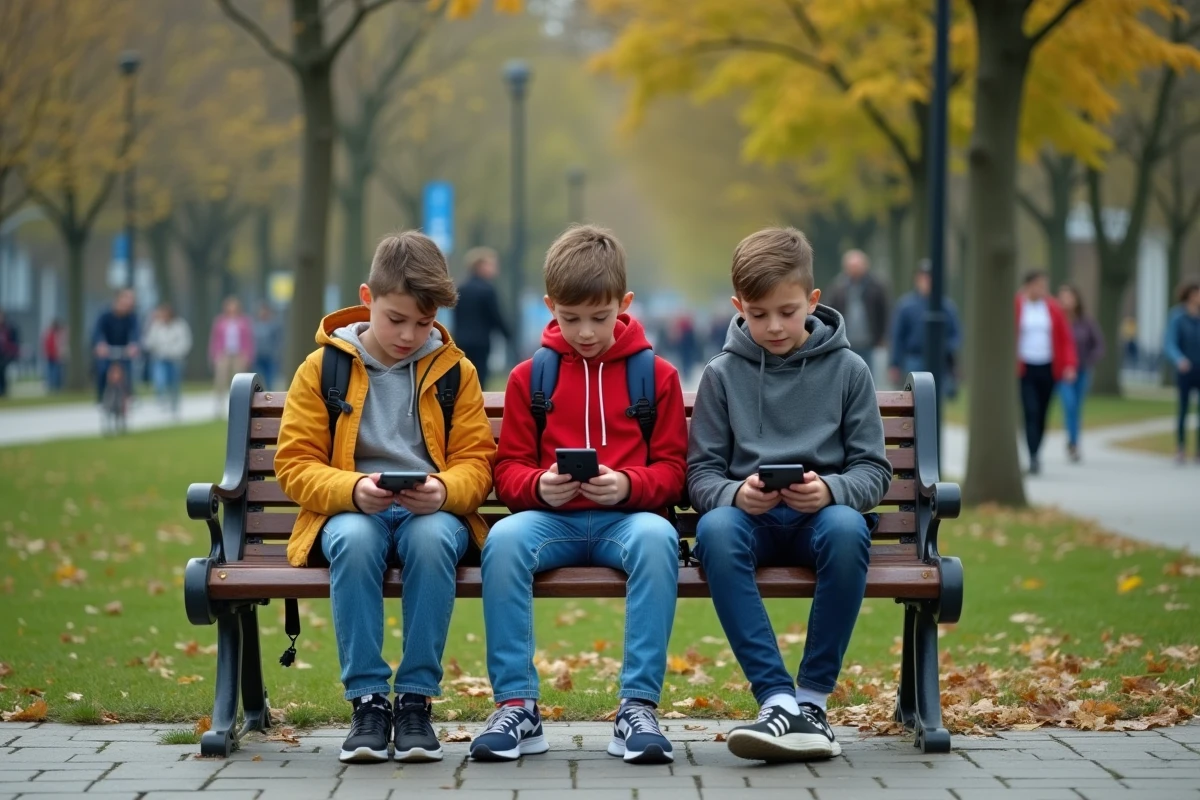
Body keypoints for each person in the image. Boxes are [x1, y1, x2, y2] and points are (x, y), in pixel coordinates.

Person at [274, 231, 496, 764]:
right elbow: (294, 463)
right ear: (367, 298)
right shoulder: (322, 368)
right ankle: (369, 702)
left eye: (424, 323)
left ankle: (415, 700)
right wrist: (352, 488)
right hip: (353, 510)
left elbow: (478, 462)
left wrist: (444, 489)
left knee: (434, 540)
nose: (410, 335)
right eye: (396, 319)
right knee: (351, 539)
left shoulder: (453, 370)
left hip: (429, 512)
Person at [470, 224, 688, 765]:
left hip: (628, 521)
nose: (585, 332)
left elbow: (675, 472)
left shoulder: (656, 377)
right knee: (503, 540)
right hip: (553, 521)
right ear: (550, 307)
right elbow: (509, 472)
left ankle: (637, 707)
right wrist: (540, 485)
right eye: (570, 319)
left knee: (659, 537)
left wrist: (629, 485)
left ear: (625, 303)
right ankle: (517, 705)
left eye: (599, 317)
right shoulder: (531, 378)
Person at [687, 227, 892, 763]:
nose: (773, 326)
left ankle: (812, 701)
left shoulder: (849, 370)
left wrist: (830, 490)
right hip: (749, 524)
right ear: (738, 307)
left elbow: (874, 469)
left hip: (819, 523)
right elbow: (701, 474)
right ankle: (777, 699)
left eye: (787, 310)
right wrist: (735, 495)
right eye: (758, 314)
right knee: (715, 528)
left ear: (814, 301)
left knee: (848, 528)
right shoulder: (722, 375)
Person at [1015, 270, 1077, 475]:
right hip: (1025, 368)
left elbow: (1065, 338)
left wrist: (1069, 364)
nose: (1043, 290)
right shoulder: (1017, 305)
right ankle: (1032, 456)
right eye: (1039, 285)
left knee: (1042, 413)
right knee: (1030, 411)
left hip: (1048, 367)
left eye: (1044, 286)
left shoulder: (1052, 308)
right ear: (1028, 286)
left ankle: (1036, 451)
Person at [887, 260, 961, 395]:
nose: (927, 281)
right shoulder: (906, 306)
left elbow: (955, 335)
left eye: (930, 277)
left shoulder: (946, 307)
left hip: (939, 361)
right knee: (915, 398)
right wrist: (895, 364)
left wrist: (946, 348)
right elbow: (897, 337)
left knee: (937, 397)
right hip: (914, 359)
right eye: (923, 277)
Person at [822, 249, 889, 379]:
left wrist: (883, 335)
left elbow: (884, 311)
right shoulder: (837, 286)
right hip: (845, 341)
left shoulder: (876, 286)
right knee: (846, 375)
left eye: (857, 266)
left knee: (869, 375)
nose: (854, 270)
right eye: (851, 267)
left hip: (868, 341)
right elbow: (828, 310)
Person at [1056, 285, 1105, 463]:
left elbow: (1099, 345)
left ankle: (1074, 443)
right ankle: (1072, 442)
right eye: (1063, 297)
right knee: (1068, 405)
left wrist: (1088, 360)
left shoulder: (1086, 322)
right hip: (1062, 372)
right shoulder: (1056, 319)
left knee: (1076, 407)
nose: (1066, 301)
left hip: (1082, 371)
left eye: (1070, 297)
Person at [454, 247, 510, 391]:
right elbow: (495, 316)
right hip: (481, 341)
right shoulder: (487, 289)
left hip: (461, 340)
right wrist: (507, 334)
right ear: (480, 266)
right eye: (491, 265)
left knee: (463, 377)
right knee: (480, 379)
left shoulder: (461, 288)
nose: (495, 269)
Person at [1164, 279, 1200, 464]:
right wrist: (1179, 359)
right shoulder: (1177, 316)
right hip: (1185, 369)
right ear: (1190, 295)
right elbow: (1169, 342)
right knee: (1183, 409)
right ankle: (1180, 447)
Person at [92, 289, 140, 404]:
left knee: (128, 370)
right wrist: (100, 344)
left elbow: (136, 333)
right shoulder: (105, 315)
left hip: (124, 350)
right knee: (103, 370)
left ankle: (129, 394)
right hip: (107, 349)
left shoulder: (132, 317)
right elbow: (97, 331)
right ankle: (101, 397)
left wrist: (134, 345)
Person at [143, 303, 193, 415]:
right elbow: (149, 342)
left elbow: (185, 342)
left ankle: (174, 404)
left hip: (175, 358)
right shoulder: (156, 325)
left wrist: (176, 352)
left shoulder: (180, 325)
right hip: (160, 358)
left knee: (174, 382)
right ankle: (161, 400)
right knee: (160, 379)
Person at [208, 296, 254, 412]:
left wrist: (248, 356)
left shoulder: (244, 322)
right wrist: (215, 354)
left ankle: (239, 405)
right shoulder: (220, 321)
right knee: (220, 379)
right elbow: (215, 339)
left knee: (239, 381)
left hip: (239, 354)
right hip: (224, 354)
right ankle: (219, 404)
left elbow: (249, 340)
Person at [253, 302, 283, 390]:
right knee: (258, 377)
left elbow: (278, 341)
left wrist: (276, 353)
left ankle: (269, 395)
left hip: (270, 356)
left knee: (270, 378)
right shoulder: (255, 325)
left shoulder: (274, 325)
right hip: (258, 356)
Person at [42, 319, 66, 393]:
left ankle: (54, 386)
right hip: (53, 356)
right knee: (53, 372)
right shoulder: (52, 334)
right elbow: (50, 345)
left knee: (53, 372)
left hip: (53, 355)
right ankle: (53, 386)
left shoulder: (51, 334)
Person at [0, 311, 20, 398]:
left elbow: (13, 342)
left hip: (6, 354)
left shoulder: (8, 328)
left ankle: (3, 391)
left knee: (3, 371)